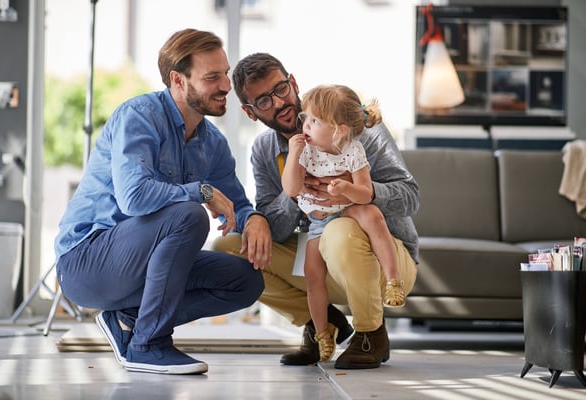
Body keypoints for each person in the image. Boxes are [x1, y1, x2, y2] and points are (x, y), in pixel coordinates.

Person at [53, 29, 271, 375]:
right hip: (86, 262)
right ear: (178, 80)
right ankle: (147, 345)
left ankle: (130, 320)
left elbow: (237, 203)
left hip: (140, 268)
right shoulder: (139, 117)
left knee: (246, 282)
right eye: (212, 77)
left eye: (225, 74)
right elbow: (134, 197)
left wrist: (254, 218)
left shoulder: (211, 143)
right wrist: (202, 192)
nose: (226, 86)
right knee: (189, 215)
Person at [212, 53, 419, 369]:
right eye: (264, 101)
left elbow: (410, 197)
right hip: (319, 252)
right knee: (229, 250)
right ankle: (322, 323)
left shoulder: (354, 126)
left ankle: (371, 334)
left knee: (341, 231)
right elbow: (276, 230)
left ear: (293, 83)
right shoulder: (265, 150)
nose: (280, 102)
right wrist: (294, 193)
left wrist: (357, 190)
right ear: (250, 112)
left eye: (281, 89)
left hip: (384, 253)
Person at [281, 84, 406, 362]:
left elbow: (364, 192)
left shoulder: (353, 151)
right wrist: (292, 155)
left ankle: (393, 281)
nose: (306, 125)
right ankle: (322, 333)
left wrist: (344, 190)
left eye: (315, 120)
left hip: (348, 212)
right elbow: (291, 188)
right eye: (306, 118)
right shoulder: (305, 150)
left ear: (339, 130)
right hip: (317, 223)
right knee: (313, 276)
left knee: (372, 214)